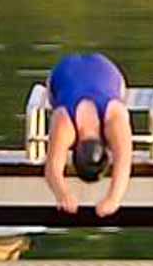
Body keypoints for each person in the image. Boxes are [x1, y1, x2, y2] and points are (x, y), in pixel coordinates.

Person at [42, 52, 134, 218]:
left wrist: (113, 198)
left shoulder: (67, 122)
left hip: (104, 69)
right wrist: (63, 194)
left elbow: (52, 168)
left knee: (118, 100)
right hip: (69, 71)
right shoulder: (66, 122)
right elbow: (124, 160)